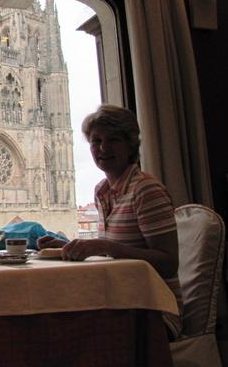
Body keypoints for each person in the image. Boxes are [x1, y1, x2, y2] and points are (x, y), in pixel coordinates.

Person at [37, 104, 182, 339]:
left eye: (113, 140)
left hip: (155, 311)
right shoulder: (103, 191)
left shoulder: (146, 190)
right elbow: (113, 255)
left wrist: (105, 246)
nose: (103, 148)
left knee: (61, 331)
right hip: (121, 301)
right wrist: (68, 246)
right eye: (96, 141)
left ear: (130, 145)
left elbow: (168, 263)